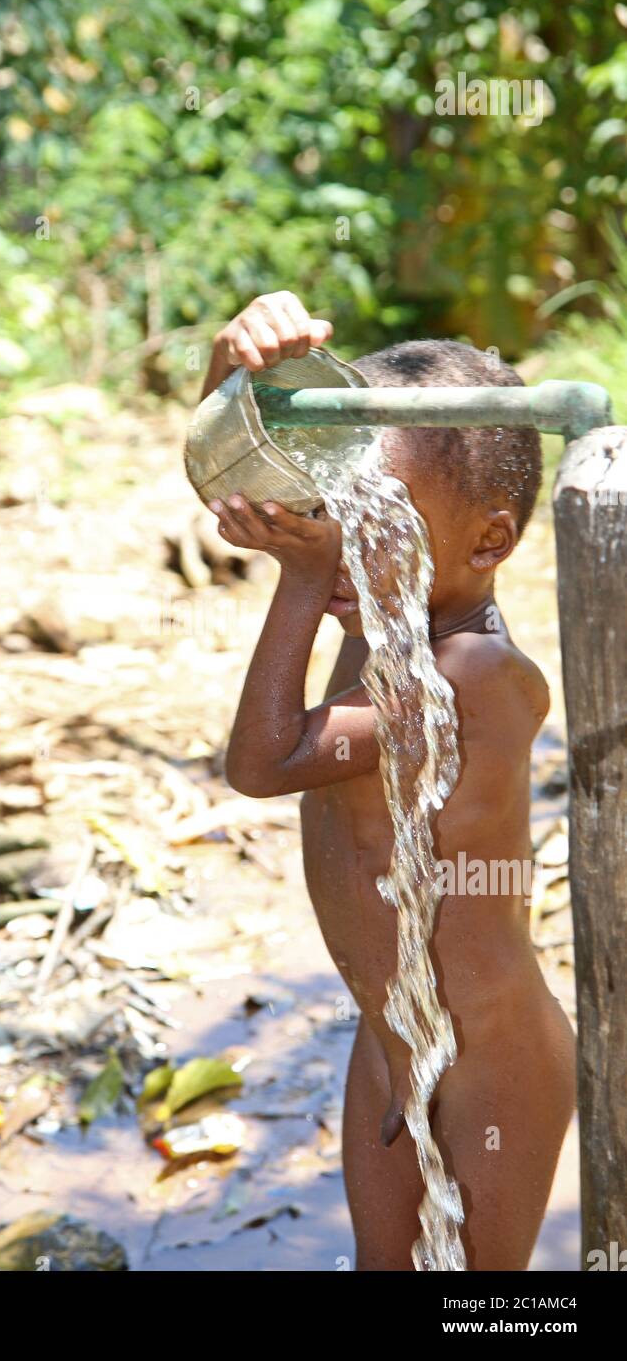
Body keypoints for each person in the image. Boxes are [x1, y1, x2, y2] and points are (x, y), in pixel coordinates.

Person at [201, 291, 576, 1270]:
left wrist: (295, 580)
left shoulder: (474, 675)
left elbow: (261, 763)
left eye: (377, 517)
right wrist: (234, 372)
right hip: (388, 1041)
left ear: (486, 542)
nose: (336, 535)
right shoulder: (381, 620)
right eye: (332, 505)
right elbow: (237, 482)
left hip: (489, 1067)